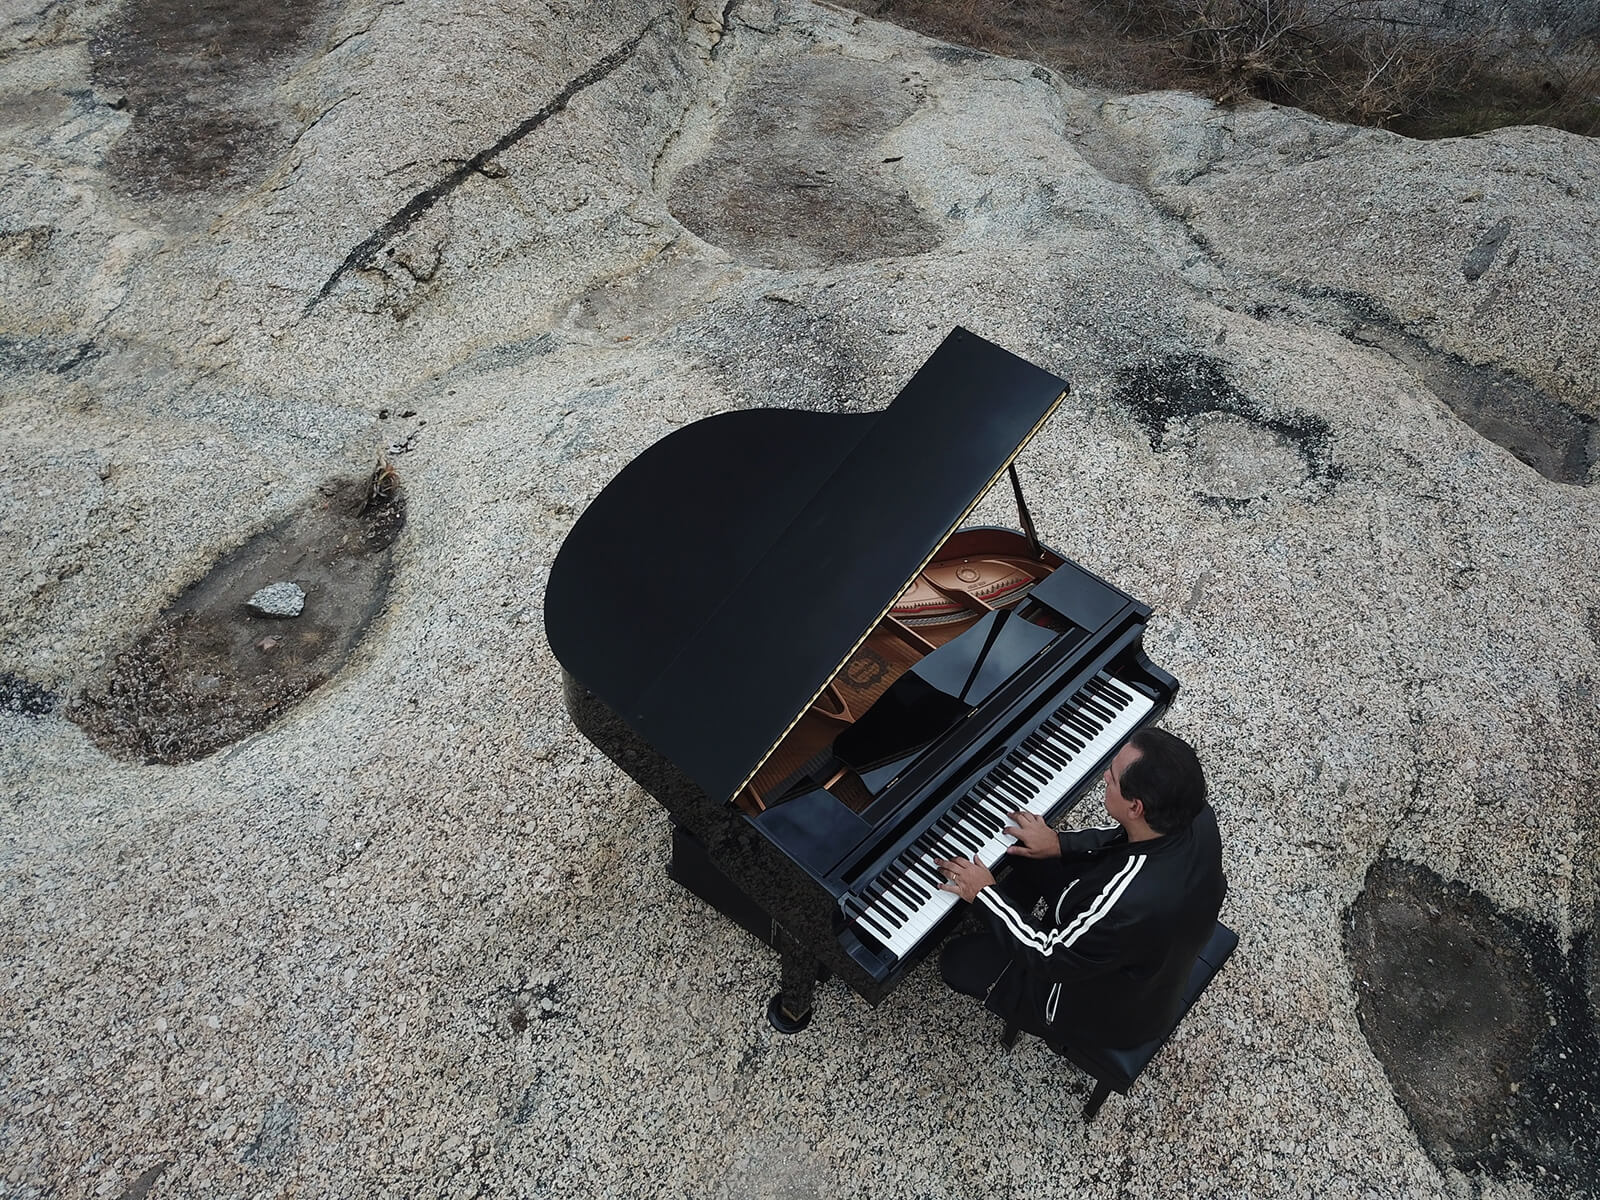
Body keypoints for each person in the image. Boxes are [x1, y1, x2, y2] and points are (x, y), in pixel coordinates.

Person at [935, 727, 1226, 1050]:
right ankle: (1012, 915)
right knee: (1024, 852)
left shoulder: (1124, 906)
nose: (1104, 776)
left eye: (1112, 778)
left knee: (956, 961)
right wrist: (1058, 843)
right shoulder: (1196, 815)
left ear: (1135, 807)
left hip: (1102, 1010)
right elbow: (1122, 839)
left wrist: (986, 895)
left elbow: (1048, 955)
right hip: (1146, 946)